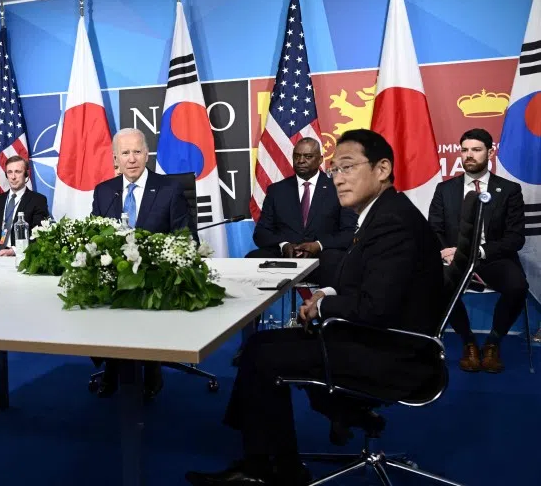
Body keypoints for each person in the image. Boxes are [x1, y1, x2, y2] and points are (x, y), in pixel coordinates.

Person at [186, 129, 445, 486]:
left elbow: (375, 307)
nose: (337, 178)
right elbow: (366, 282)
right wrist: (326, 294)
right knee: (260, 347)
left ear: (382, 169)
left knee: (261, 355)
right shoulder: (383, 213)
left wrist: (322, 307)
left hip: (394, 354)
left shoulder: (392, 222)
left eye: (348, 167)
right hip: (382, 337)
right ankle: (268, 460)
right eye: (335, 169)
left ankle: (273, 470)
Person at [90, 128, 191, 399]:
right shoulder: (104, 192)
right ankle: (112, 361)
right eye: (125, 153)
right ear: (116, 159)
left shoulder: (170, 189)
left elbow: (186, 237)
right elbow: (95, 236)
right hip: (116, 274)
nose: (131, 159)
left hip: (156, 274)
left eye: (137, 152)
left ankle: (151, 363)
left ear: (147, 154)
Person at [428, 128, 527, 373]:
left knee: (517, 287)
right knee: (437, 287)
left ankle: (493, 342)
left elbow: (515, 238)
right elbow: (434, 228)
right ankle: (468, 341)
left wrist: (480, 251)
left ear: (490, 153)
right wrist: (446, 250)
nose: (469, 155)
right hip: (455, 258)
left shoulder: (509, 190)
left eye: (476, 150)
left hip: (492, 257)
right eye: (464, 150)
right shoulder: (444, 189)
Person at [247, 137, 357, 290]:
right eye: (297, 156)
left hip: (322, 258)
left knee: (336, 260)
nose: (301, 161)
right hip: (285, 258)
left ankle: (325, 304)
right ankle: (255, 306)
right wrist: (284, 245)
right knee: (253, 259)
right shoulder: (277, 190)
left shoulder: (339, 188)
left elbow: (349, 232)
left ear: (320, 160)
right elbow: (261, 233)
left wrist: (318, 245)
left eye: (308, 156)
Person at [0, 156, 49, 256]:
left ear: (26, 174)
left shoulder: (38, 200)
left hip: (19, 256)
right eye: (9, 172)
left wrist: (14, 251)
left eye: (17, 172)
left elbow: (38, 234)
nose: (13, 177)